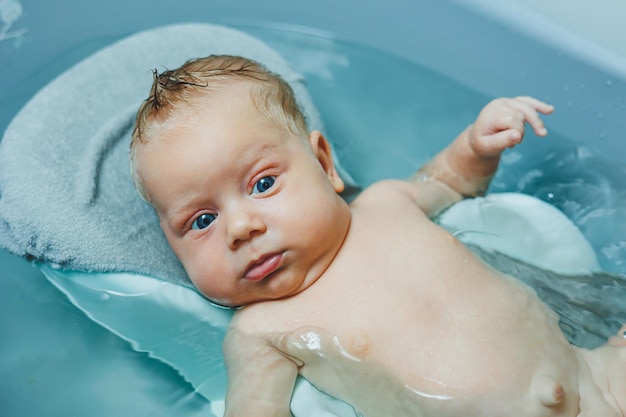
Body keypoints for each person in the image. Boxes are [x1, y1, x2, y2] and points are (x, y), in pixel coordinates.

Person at [129, 55, 625, 417]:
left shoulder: (387, 203)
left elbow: (449, 182)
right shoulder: (260, 333)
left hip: (596, 371)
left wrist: (477, 146)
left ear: (323, 164)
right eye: (201, 221)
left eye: (262, 184)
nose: (240, 228)